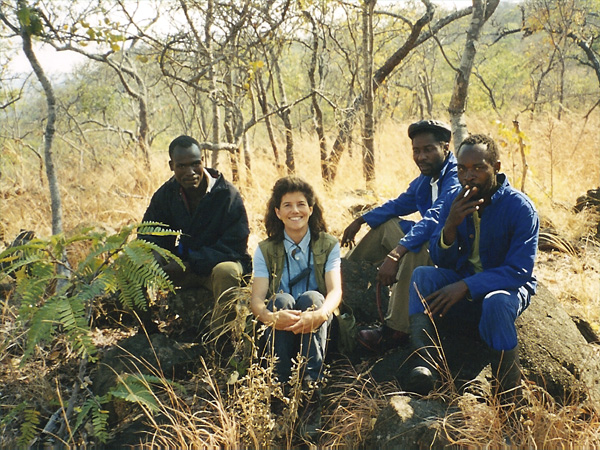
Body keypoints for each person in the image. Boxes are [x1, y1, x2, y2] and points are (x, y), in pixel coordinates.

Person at [406, 134, 539, 403]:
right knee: (422, 277)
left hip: (505, 288)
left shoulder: (520, 208)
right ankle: (426, 364)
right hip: (464, 279)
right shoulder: (454, 201)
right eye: (463, 169)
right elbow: (440, 260)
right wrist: (451, 226)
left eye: (478, 168)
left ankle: (508, 390)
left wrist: (467, 286)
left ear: (496, 167)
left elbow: (519, 271)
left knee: (497, 302)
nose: (469, 176)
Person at [341, 119, 460, 352]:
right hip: (430, 243)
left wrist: (396, 254)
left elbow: (434, 218)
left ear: (445, 148)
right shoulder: (426, 179)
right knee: (387, 225)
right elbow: (399, 204)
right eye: (416, 151)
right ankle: (344, 279)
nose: (421, 157)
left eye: (428, 149)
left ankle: (396, 329)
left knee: (416, 247)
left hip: (449, 255)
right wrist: (361, 219)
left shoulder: (455, 178)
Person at [250, 177, 342, 438]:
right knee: (280, 300)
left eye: (301, 204)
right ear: (277, 212)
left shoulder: (328, 244)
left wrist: (320, 314)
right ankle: (279, 397)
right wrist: (270, 316)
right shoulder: (265, 249)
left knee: (313, 297)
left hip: (320, 324)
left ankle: (310, 398)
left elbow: (335, 292)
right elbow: (256, 300)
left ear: (311, 209)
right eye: (287, 205)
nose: (295, 211)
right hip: (279, 326)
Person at [140, 135, 251, 333]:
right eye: (182, 166)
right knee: (134, 263)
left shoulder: (227, 195)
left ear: (203, 161)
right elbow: (149, 233)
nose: (190, 172)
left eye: (195, 164)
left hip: (214, 267)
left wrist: (190, 263)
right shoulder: (167, 195)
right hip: (181, 267)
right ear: (171, 165)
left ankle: (221, 343)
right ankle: (147, 331)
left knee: (228, 271)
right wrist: (155, 257)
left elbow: (235, 246)